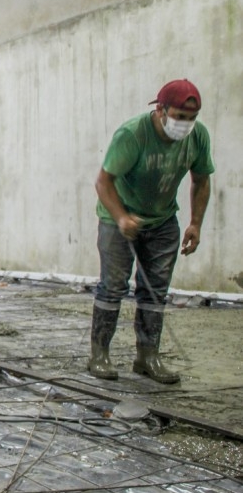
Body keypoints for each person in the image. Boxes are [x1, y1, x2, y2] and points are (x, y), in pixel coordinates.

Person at [89, 79, 214, 384]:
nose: (184, 125)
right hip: (118, 216)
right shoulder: (132, 135)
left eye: (191, 118)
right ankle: (99, 355)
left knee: (155, 289)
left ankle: (147, 356)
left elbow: (201, 179)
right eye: (179, 117)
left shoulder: (197, 137)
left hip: (161, 221)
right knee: (113, 285)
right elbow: (103, 182)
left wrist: (195, 222)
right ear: (160, 110)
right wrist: (121, 218)